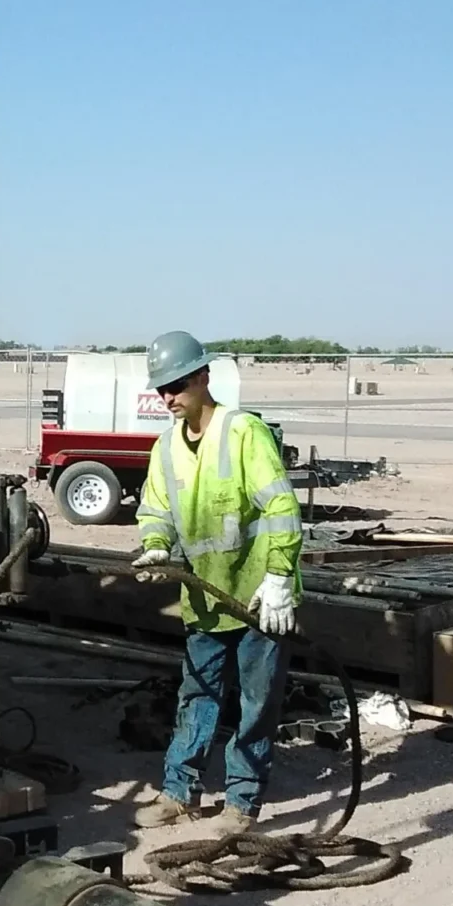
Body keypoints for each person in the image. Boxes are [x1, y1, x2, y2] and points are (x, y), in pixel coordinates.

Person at [129, 331, 303, 831]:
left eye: (177, 385)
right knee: (197, 694)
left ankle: (242, 803)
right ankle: (179, 792)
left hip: (256, 599)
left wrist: (278, 579)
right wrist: (157, 545)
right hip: (204, 598)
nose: (168, 397)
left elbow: (281, 507)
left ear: (204, 377)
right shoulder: (165, 448)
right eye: (161, 389)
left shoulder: (244, 432)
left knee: (256, 701)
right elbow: (155, 509)